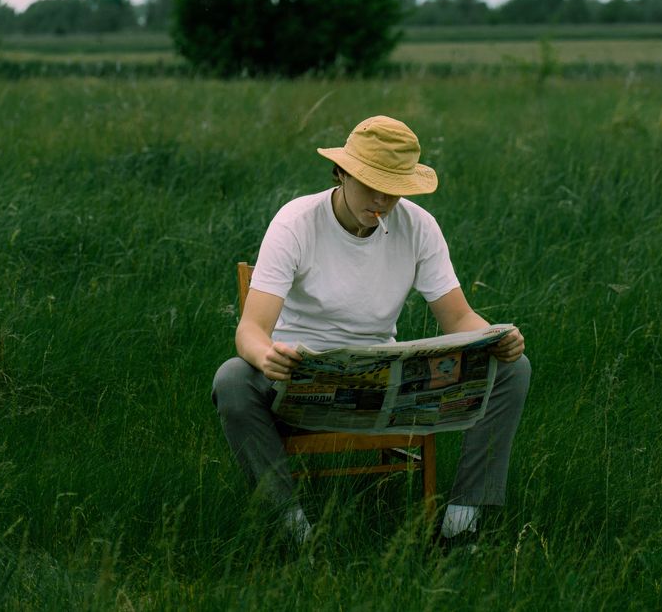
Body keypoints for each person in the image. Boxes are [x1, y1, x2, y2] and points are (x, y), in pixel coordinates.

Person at [212, 115, 530, 547]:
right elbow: (251, 328)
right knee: (231, 378)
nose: (381, 198)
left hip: (384, 385)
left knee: (513, 367)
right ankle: (292, 529)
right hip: (299, 378)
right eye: (369, 183)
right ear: (340, 173)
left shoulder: (418, 226)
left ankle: (461, 523)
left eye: (393, 188)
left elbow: (458, 319)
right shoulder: (296, 223)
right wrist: (266, 355)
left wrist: (497, 336)